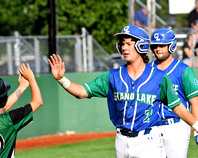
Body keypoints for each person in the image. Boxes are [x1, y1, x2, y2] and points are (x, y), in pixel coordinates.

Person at [48, 25, 198, 158]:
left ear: (141, 46)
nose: (124, 48)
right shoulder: (112, 76)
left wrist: (196, 127)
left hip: (148, 140)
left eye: (129, 44)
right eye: (122, 44)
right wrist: (62, 79)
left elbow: (177, 106)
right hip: (121, 140)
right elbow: (81, 92)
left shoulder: (159, 77)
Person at [150, 28, 198, 158]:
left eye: (162, 45)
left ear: (171, 46)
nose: (157, 49)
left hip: (177, 126)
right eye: (155, 45)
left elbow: (194, 101)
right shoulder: (147, 70)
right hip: (152, 127)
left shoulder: (183, 70)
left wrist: (197, 129)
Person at [0, 63, 43, 157]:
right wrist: (31, 79)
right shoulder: (9, 120)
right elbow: (37, 102)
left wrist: (22, 87)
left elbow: (2, 109)